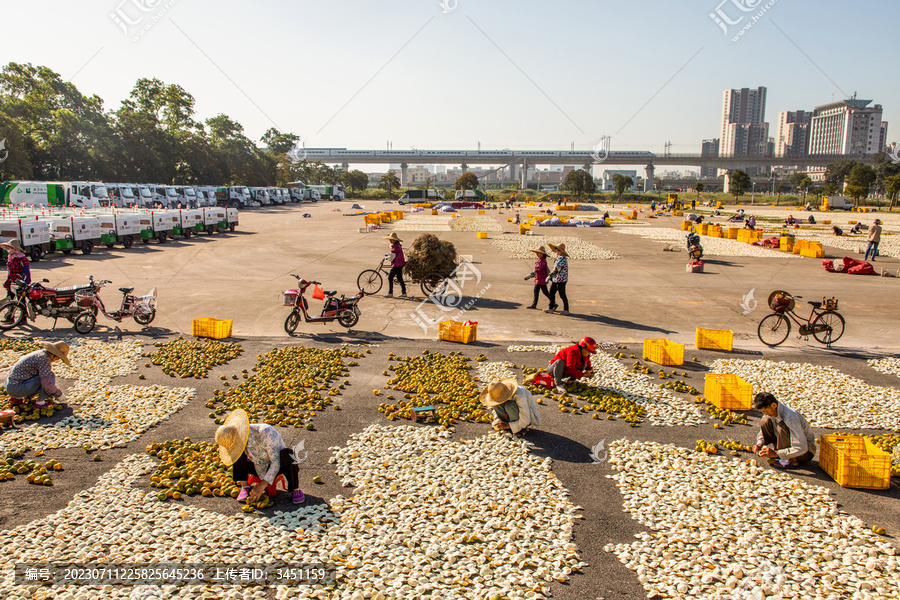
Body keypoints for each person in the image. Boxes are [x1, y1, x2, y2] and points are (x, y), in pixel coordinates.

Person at [215, 409, 305, 504]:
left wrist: (262, 485)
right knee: (237, 455)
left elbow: (276, 463)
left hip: (276, 465)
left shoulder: (266, 433)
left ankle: (295, 489)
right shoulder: (238, 444)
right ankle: (245, 486)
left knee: (288, 454)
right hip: (257, 466)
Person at [751, 392, 816, 469]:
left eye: (765, 411)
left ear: (774, 405)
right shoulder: (773, 411)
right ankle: (780, 452)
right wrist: (759, 444)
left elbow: (802, 448)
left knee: (781, 425)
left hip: (804, 453)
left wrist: (776, 453)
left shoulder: (791, 417)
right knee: (765, 420)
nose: (765, 413)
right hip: (788, 447)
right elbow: (762, 432)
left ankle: (792, 460)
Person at [5, 341, 69, 408]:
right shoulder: (44, 359)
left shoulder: (40, 354)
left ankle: (16, 398)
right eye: (58, 358)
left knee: (43, 375)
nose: (57, 360)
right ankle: (40, 403)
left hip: (10, 385)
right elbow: (47, 385)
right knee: (50, 375)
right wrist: (58, 394)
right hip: (16, 388)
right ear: (53, 355)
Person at [545, 243, 569, 314]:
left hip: (561, 280)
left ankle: (566, 309)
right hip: (556, 279)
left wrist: (550, 276)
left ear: (562, 251)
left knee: (562, 294)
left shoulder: (562, 259)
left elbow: (557, 269)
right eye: (556, 249)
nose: (556, 251)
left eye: (558, 250)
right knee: (551, 292)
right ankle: (551, 307)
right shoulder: (559, 258)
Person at [383, 233, 406, 298]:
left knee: (390, 277)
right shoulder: (397, 245)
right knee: (399, 278)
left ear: (394, 240)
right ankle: (404, 292)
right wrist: (388, 255)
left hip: (397, 264)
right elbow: (393, 254)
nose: (390, 241)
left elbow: (392, 256)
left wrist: (387, 257)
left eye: (392, 240)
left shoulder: (395, 246)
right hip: (400, 264)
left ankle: (390, 292)